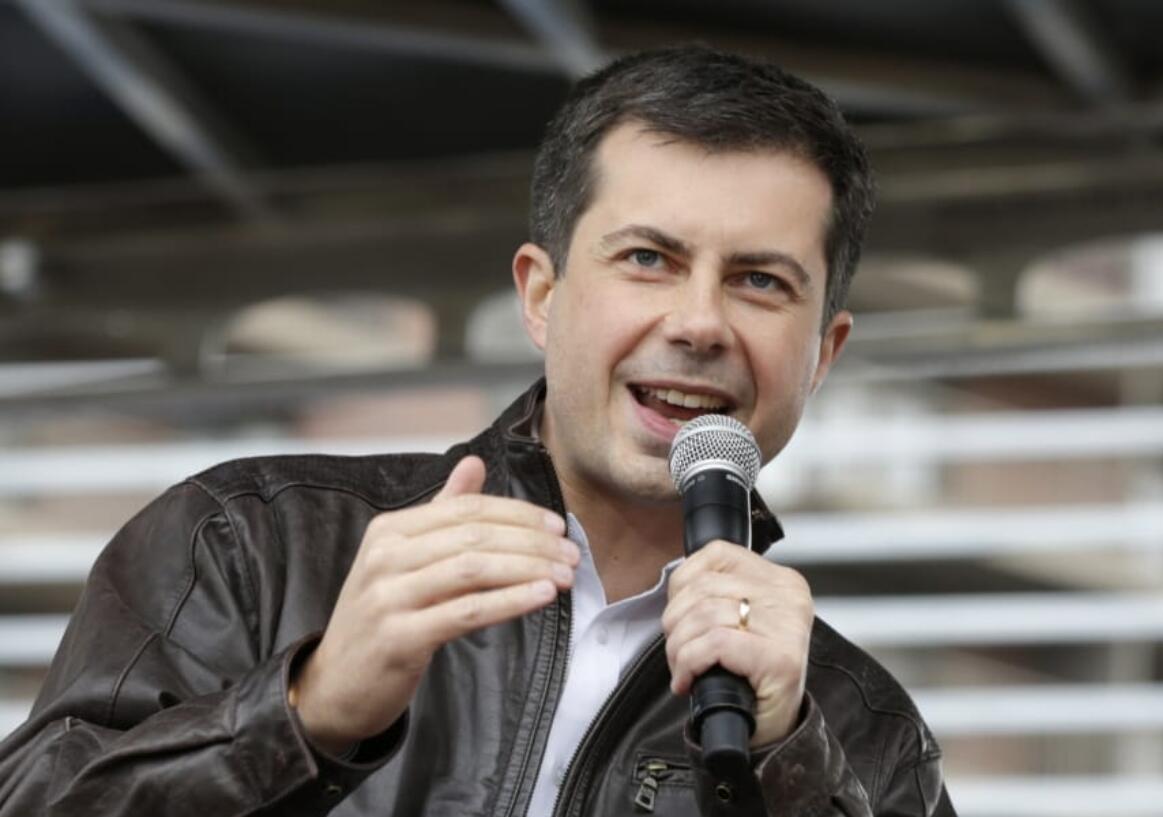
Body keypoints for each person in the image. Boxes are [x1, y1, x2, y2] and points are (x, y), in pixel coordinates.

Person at [0, 46, 955, 816]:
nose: (700, 322)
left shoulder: (861, 730)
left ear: (822, 353)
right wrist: (309, 709)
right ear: (542, 295)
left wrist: (788, 768)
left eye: (760, 280)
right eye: (648, 258)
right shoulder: (251, 539)